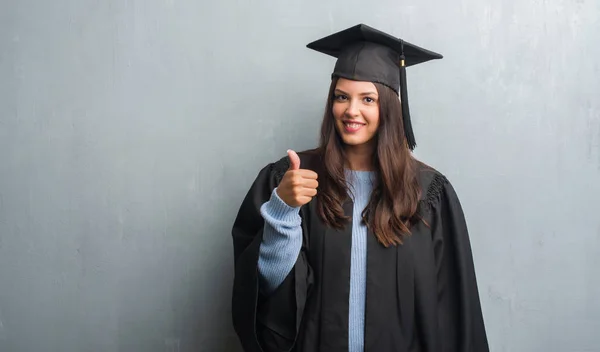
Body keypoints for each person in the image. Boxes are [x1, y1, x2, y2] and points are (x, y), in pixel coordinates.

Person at [231, 23, 489, 352]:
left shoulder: (429, 193)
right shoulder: (292, 180)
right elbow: (266, 289)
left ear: (390, 107)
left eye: (367, 98)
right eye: (342, 97)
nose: (352, 110)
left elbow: (454, 310)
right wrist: (283, 208)